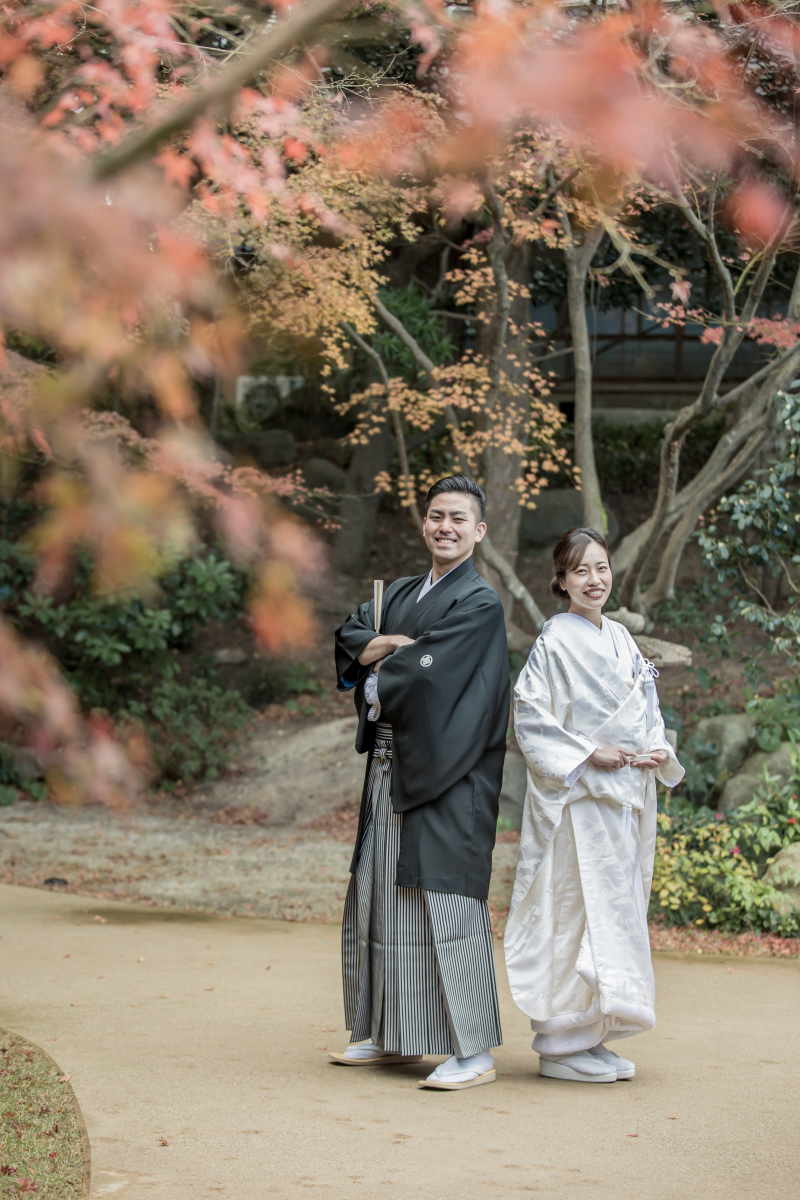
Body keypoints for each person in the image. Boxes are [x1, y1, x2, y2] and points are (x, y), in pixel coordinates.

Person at [331, 476, 509, 1091]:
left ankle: (474, 1049)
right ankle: (391, 1032)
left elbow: (433, 676)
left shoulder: (480, 603)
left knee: (446, 902)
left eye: (459, 518)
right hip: (388, 766)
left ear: (479, 531)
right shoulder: (400, 592)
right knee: (382, 895)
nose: (446, 527)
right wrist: (382, 643)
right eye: (436, 516)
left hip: (449, 773)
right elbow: (351, 636)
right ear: (424, 522)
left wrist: (384, 659)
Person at [504, 527, 684, 1084]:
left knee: (616, 912)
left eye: (601, 568)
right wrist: (588, 753)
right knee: (573, 913)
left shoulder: (623, 639)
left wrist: (657, 747)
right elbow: (530, 715)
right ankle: (560, 1041)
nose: (594, 579)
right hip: (579, 801)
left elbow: (646, 707)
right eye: (580, 570)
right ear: (561, 581)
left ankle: (593, 1032)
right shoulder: (554, 641)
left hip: (623, 799)